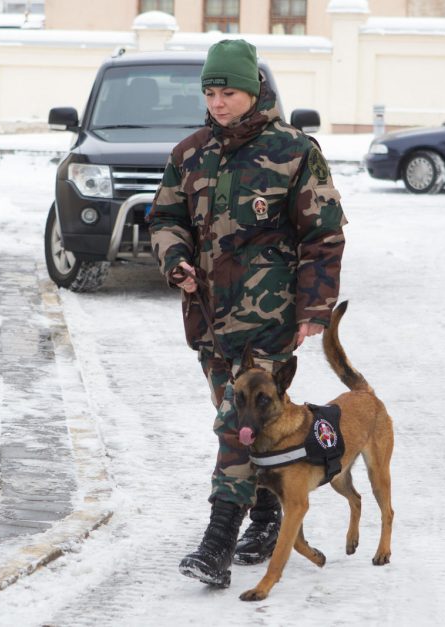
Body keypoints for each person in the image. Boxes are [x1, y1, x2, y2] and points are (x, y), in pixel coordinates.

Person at [147, 38, 346, 588]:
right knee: (249, 427)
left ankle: (217, 543)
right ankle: (265, 514)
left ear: (253, 89)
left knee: (236, 425)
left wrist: (315, 308)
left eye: (228, 91)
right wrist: (176, 260)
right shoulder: (189, 153)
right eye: (210, 91)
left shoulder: (293, 151)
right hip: (210, 320)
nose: (218, 102)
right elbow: (164, 219)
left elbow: (324, 236)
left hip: (270, 320)